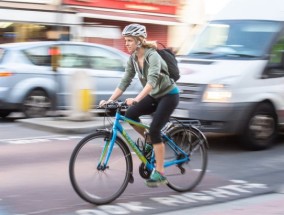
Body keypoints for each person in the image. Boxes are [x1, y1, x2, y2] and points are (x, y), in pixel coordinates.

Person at [99, 23, 179, 187]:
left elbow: (152, 81)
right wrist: (110, 100)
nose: (126, 43)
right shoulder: (133, 58)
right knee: (130, 115)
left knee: (155, 129)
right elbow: (125, 81)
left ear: (139, 41)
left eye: (129, 40)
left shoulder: (153, 55)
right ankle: (149, 140)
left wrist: (136, 99)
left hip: (168, 95)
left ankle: (160, 172)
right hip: (154, 95)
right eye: (126, 40)